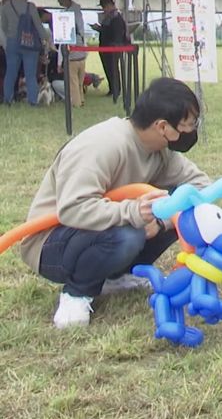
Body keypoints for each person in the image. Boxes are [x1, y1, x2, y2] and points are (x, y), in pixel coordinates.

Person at [19, 77, 210, 329]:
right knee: (129, 233)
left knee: (186, 207)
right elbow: (72, 208)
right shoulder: (103, 146)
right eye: (188, 124)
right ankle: (76, 293)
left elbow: (201, 186)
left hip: (99, 231)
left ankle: (116, 276)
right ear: (163, 126)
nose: (192, 131)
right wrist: (133, 211)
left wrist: (163, 220)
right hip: (50, 243)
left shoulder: (161, 151)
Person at [1, 0, 50, 105]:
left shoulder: (6, 6)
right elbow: (39, 27)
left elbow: (3, 27)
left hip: (12, 42)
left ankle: (8, 100)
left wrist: (6, 42)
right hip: (29, 42)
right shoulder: (31, 7)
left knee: (10, 72)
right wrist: (46, 40)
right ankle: (32, 101)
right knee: (30, 74)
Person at [90, 0, 127, 100]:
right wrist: (99, 29)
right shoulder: (109, 17)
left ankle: (116, 90)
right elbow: (106, 31)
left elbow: (117, 33)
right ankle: (112, 89)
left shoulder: (116, 17)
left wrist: (116, 45)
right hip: (105, 48)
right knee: (108, 69)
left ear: (110, 5)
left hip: (113, 48)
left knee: (113, 69)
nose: (103, 9)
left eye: (104, 7)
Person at [55, 0, 87, 107]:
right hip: (82, 51)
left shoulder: (67, 15)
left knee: (72, 81)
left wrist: (60, 61)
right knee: (79, 80)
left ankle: (76, 103)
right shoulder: (76, 11)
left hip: (72, 52)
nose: (59, 2)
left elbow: (64, 39)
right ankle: (81, 100)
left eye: (59, 0)